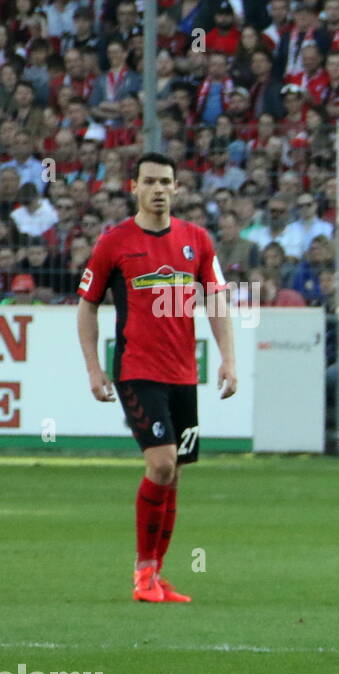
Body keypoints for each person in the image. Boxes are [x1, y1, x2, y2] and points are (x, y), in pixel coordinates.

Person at [75, 152, 236, 604]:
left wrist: (228, 359)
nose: (159, 189)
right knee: (161, 463)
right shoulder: (115, 242)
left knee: (175, 474)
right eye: (150, 182)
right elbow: (87, 305)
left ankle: (158, 574)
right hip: (136, 371)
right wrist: (94, 367)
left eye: (166, 182)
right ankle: (142, 572)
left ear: (177, 188)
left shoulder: (197, 240)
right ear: (135, 188)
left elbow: (217, 299)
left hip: (183, 373)